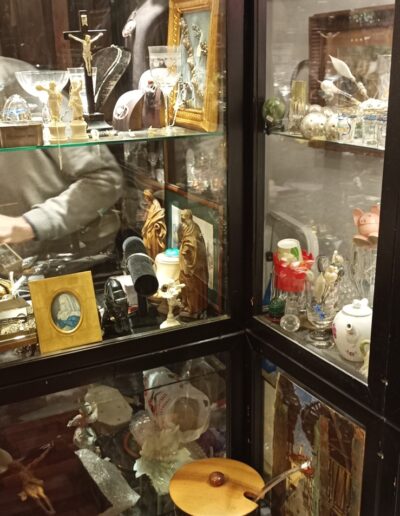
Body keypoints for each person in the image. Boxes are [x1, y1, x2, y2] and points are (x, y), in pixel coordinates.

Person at [178, 209, 209, 318]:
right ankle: (187, 304)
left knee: (191, 286)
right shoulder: (188, 226)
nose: (181, 217)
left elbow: (192, 243)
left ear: (187, 216)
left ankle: (193, 308)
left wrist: (185, 250)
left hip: (191, 264)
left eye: (183, 216)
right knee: (184, 284)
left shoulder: (193, 228)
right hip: (186, 262)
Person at [141, 189, 167, 259]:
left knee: (153, 246)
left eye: (146, 197)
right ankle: (150, 258)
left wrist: (157, 224)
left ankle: (153, 259)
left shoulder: (156, 205)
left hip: (153, 230)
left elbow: (159, 216)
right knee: (146, 245)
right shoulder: (149, 204)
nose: (145, 199)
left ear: (149, 196)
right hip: (148, 228)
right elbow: (147, 216)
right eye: (145, 197)